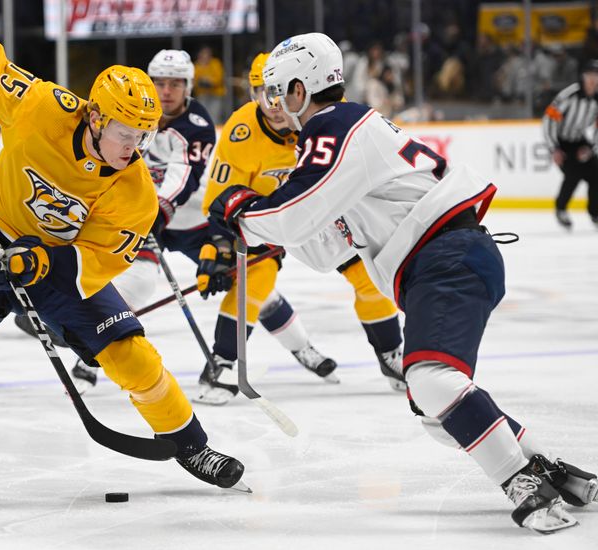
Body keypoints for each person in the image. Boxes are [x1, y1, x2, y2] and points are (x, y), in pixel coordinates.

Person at [208, 32, 597, 533]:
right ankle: (549, 468)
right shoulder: (337, 143)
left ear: (302, 90)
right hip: (440, 261)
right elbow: (323, 246)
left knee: (431, 379)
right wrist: (259, 236)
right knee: (434, 408)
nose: (277, 104)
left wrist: (242, 211)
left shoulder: (335, 125)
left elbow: (292, 215)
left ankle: (522, 480)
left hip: (446, 255)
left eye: (281, 91)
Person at [0, 7, 246, 507]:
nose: (136, 147)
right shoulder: (43, 106)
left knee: (130, 354)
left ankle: (193, 446)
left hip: (58, 268)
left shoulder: (136, 194)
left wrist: (39, 262)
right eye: (126, 133)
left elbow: (98, 260)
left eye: (144, 136)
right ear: (96, 116)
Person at [69, 49, 340, 404]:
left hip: (190, 221)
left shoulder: (196, 124)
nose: (167, 92)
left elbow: (183, 175)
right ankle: (88, 358)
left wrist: (160, 210)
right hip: (140, 216)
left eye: (176, 84)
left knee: (253, 285)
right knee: (137, 281)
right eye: (160, 83)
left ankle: (303, 348)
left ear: (189, 87)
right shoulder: (128, 115)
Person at [197, 52, 406, 402]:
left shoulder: (317, 118)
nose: (275, 104)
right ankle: (222, 362)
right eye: (265, 93)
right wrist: (217, 245)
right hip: (268, 219)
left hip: (326, 214)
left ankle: (391, 355)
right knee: (256, 283)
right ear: (252, 94)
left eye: (280, 93)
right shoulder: (241, 131)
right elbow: (220, 198)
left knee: (369, 277)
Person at [542, 59, 598, 230]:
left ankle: (594, 212)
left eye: (596, 76)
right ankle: (561, 209)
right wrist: (554, 148)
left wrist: (591, 148)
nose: (593, 80)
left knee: (596, 173)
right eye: (590, 75)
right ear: (582, 76)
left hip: (580, 141)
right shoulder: (569, 95)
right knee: (573, 174)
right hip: (562, 142)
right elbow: (549, 120)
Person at [193, 45, 226, 123]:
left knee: (215, 115)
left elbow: (219, 78)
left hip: (216, 94)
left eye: (207, 54)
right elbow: (194, 80)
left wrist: (209, 80)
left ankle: (215, 133)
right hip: (202, 94)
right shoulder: (197, 65)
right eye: (203, 54)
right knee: (203, 116)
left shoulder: (215, 63)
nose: (205, 56)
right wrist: (202, 80)